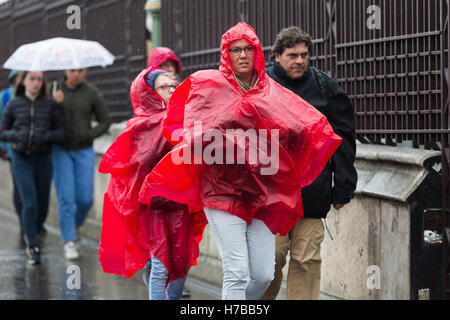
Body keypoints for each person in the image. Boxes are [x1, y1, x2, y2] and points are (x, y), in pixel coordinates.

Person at [138, 22, 342, 300]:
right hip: (220, 190)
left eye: (248, 48)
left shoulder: (271, 91)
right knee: (236, 271)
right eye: (236, 49)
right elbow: (182, 124)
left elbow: (300, 126)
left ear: (257, 51)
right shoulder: (208, 85)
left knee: (263, 275)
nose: (243, 54)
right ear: (226, 53)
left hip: (261, 192)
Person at [261, 26, 357, 300]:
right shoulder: (261, 86)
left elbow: (343, 139)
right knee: (270, 263)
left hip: (312, 194)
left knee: (307, 261)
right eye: (293, 55)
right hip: (271, 197)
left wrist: (344, 187)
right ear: (277, 56)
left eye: (304, 55)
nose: (300, 61)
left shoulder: (324, 87)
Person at [98, 67, 207, 300]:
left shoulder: (187, 119)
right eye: (163, 87)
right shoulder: (141, 126)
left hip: (181, 204)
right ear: (149, 93)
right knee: (160, 265)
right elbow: (136, 164)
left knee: (181, 261)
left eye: (173, 86)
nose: (170, 91)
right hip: (154, 206)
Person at [0, 71, 65, 265]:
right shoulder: (14, 104)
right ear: (24, 81)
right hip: (21, 158)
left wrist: (45, 137)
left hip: (43, 159)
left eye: (39, 80)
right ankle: (33, 245)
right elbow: (2, 132)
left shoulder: (50, 105)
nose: (36, 83)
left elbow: (61, 132)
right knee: (29, 202)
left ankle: (36, 227)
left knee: (43, 204)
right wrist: (16, 135)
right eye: (32, 79)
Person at [51, 69, 111, 260]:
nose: (76, 74)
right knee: (66, 197)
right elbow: (42, 119)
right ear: (65, 70)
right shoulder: (54, 90)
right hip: (60, 149)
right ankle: (69, 240)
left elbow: (105, 120)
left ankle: (74, 225)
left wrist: (89, 135)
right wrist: (53, 104)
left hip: (83, 149)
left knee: (85, 198)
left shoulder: (91, 92)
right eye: (72, 70)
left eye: (81, 70)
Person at [0, 70, 23, 232]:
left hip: (33, 149)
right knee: (18, 185)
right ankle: (23, 220)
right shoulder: (6, 97)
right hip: (11, 148)